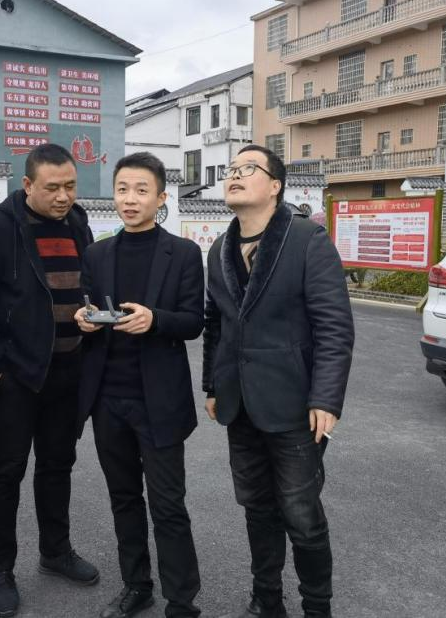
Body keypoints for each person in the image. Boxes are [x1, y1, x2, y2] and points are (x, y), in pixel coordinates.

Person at [202, 145, 355, 618]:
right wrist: (213, 385)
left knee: (301, 516)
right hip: (239, 404)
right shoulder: (219, 248)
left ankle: (317, 608)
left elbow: (334, 327)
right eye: (231, 169)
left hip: (294, 406)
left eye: (248, 168)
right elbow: (216, 324)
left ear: (275, 185)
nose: (235, 175)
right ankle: (267, 600)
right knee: (257, 509)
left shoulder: (307, 239)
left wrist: (325, 398)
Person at [0, 143, 99, 617]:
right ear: (28, 184)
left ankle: (55, 551)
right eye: (52, 188)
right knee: (7, 471)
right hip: (18, 376)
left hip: (68, 369)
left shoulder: (78, 223)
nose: (63, 196)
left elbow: (85, 284)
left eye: (70, 186)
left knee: (58, 465)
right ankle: (0, 568)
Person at [74, 152, 204, 618]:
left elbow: (193, 321)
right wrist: (84, 319)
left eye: (141, 190)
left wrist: (155, 320)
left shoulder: (183, 253)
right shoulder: (97, 253)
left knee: (168, 504)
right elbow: (91, 309)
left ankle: (181, 601)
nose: (130, 199)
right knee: (124, 499)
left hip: (159, 400)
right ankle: (137, 585)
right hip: (108, 399)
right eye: (123, 190)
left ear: (161, 198)